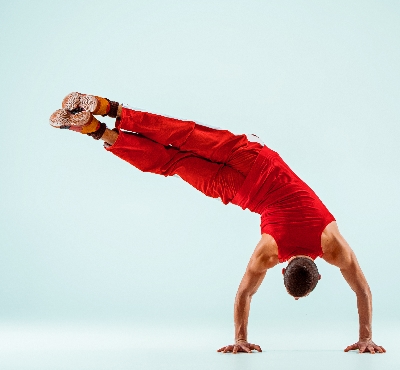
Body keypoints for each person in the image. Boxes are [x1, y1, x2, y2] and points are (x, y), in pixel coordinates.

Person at [49, 92, 385, 355]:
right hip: (238, 190)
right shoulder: (269, 252)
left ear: (317, 268)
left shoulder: (332, 243)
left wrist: (366, 335)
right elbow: (244, 293)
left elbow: (363, 290)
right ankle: (96, 130)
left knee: (184, 135)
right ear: (282, 269)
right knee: (172, 162)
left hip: (255, 155)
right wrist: (240, 340)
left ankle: (107, 106)